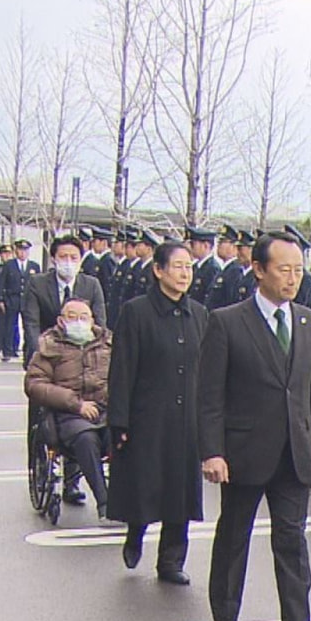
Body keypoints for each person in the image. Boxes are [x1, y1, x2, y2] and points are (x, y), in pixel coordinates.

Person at [198, 231, 311, 621]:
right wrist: (212, 451)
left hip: (294, 452)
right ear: (259, 270)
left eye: (298, 270)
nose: (292, 279)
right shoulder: (227, 322)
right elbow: (211, 395)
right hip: (243, 452)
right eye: (283, 270)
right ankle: (226, 616)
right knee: (234, 535)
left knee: (292, 544)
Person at [106, 241, 208, 584]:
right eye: (177, 266)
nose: (184, 273)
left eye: (189, 267)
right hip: (149, 416)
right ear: (158, 270)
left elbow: (206, 371)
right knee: (146, 484)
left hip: (186, 420)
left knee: (180, 490)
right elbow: (122, 369)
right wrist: (119, 419)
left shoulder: (199, 314)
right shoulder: (136, 312)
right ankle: (136, 532)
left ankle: (171, 560)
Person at [24, 298, 114, 521]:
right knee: (86, 439)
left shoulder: (108, 344)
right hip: (69, 413)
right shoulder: (49, 347)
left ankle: (124, 498)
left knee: (121, 435)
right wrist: (76, 404)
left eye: (84, 317)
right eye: (72, 317)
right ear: (60, 321)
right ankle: (104, 501)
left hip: (106, 409)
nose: (78, 322)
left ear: (93, 321)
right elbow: (35, 384)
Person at [21, 235, 107, 365]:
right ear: (53, 259)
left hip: (82, 356)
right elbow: (31, 324)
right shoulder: (37, 284)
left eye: (73, 258)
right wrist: (39, 354)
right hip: (45, 352)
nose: (68, 262)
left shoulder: (92, 285)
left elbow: (100, 324)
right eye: (63, 257)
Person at [2, 238, 41, 362]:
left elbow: (38, 284)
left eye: (25, 250)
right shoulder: (9, 265)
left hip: (28, 300)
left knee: (28, 326)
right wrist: (1, 299)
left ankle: (28, 350)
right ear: (16, 251)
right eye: (20, 250)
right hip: (12, 298)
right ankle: (8, 351)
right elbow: (2, 282)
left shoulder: (34, 266)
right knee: (10, 325)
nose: (22, 253)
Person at [186, 225, 220, 303]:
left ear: (205, 246)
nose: (190, 247)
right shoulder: (195, 267)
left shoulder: (212, 268)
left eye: (193, 244)